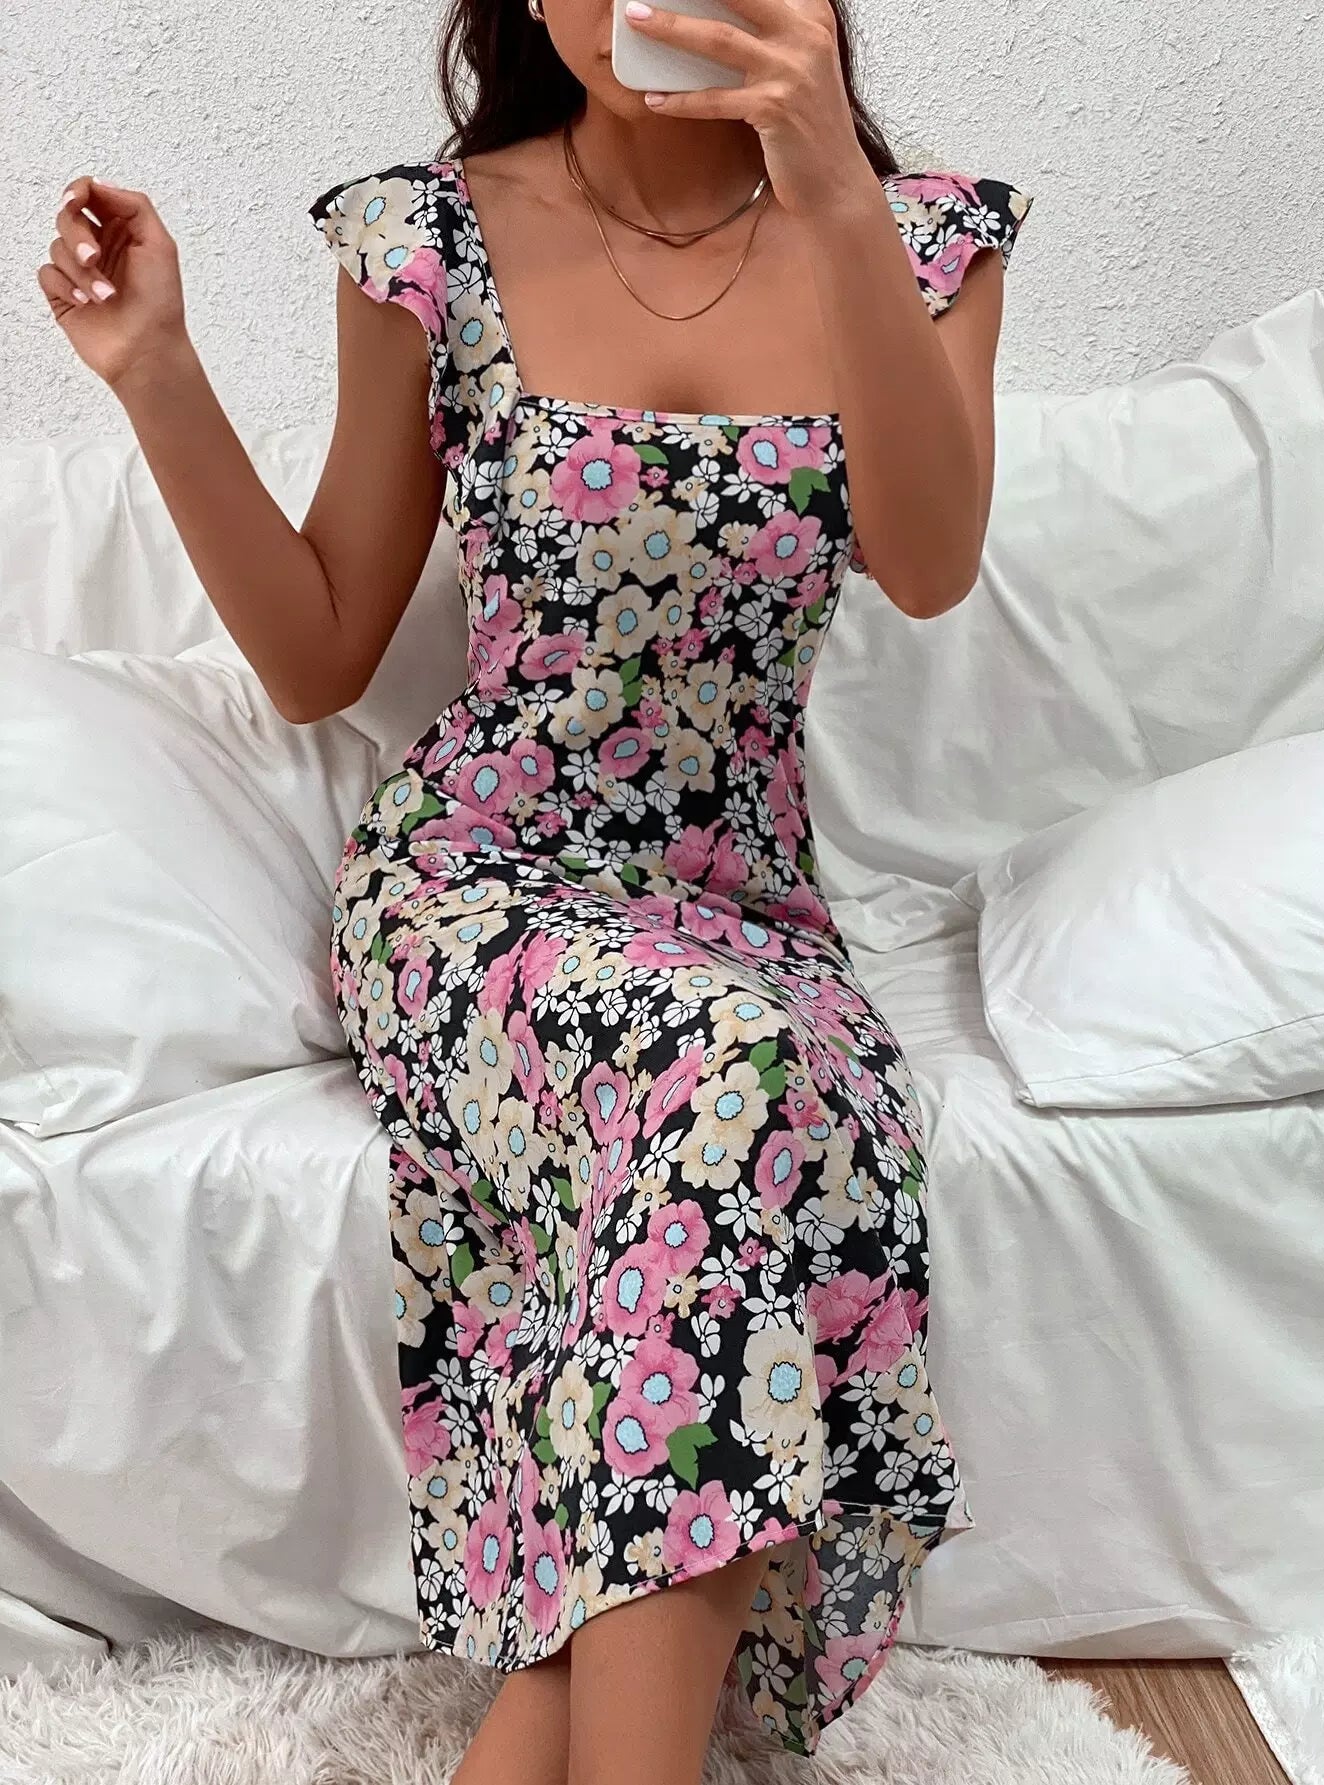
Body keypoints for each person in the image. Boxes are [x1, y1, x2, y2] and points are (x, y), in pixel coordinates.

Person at [37, 2, 1033, 1779]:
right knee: (739, 1081)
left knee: (751, 1091)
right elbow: (320, 650)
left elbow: (931, 558)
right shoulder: (429, 238)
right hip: (476, 886)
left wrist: (826, 183)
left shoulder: (923, 241)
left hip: (746, 914)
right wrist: (158, 371)